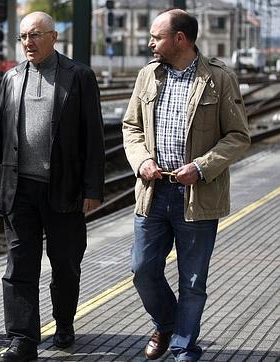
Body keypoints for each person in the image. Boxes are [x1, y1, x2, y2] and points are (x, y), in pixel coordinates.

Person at [122, 9, 250, 362]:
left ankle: (183, 346)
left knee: (192, 281)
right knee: (142, 269)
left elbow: (239, 136)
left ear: (180, 39)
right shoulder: (148, 75)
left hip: (198, 196)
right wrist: (142, 160)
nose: (150, 43)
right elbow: (131, 127)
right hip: (153, 192)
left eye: (156, 37)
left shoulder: (219, 79)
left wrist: (201, 167)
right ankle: (166, 324)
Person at [0, 12, 105, 361]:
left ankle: (64, 322)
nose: (28, 42)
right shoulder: (10, 78)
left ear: (54, 37)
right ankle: (22, 339)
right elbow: (0, 137)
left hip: (63, 188)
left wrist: (92, 188)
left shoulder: (79, 76)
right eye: (23, 36)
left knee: (65, 263)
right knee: (19, 265)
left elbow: (93, 136)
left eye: (36, 35)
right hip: (19, 188)